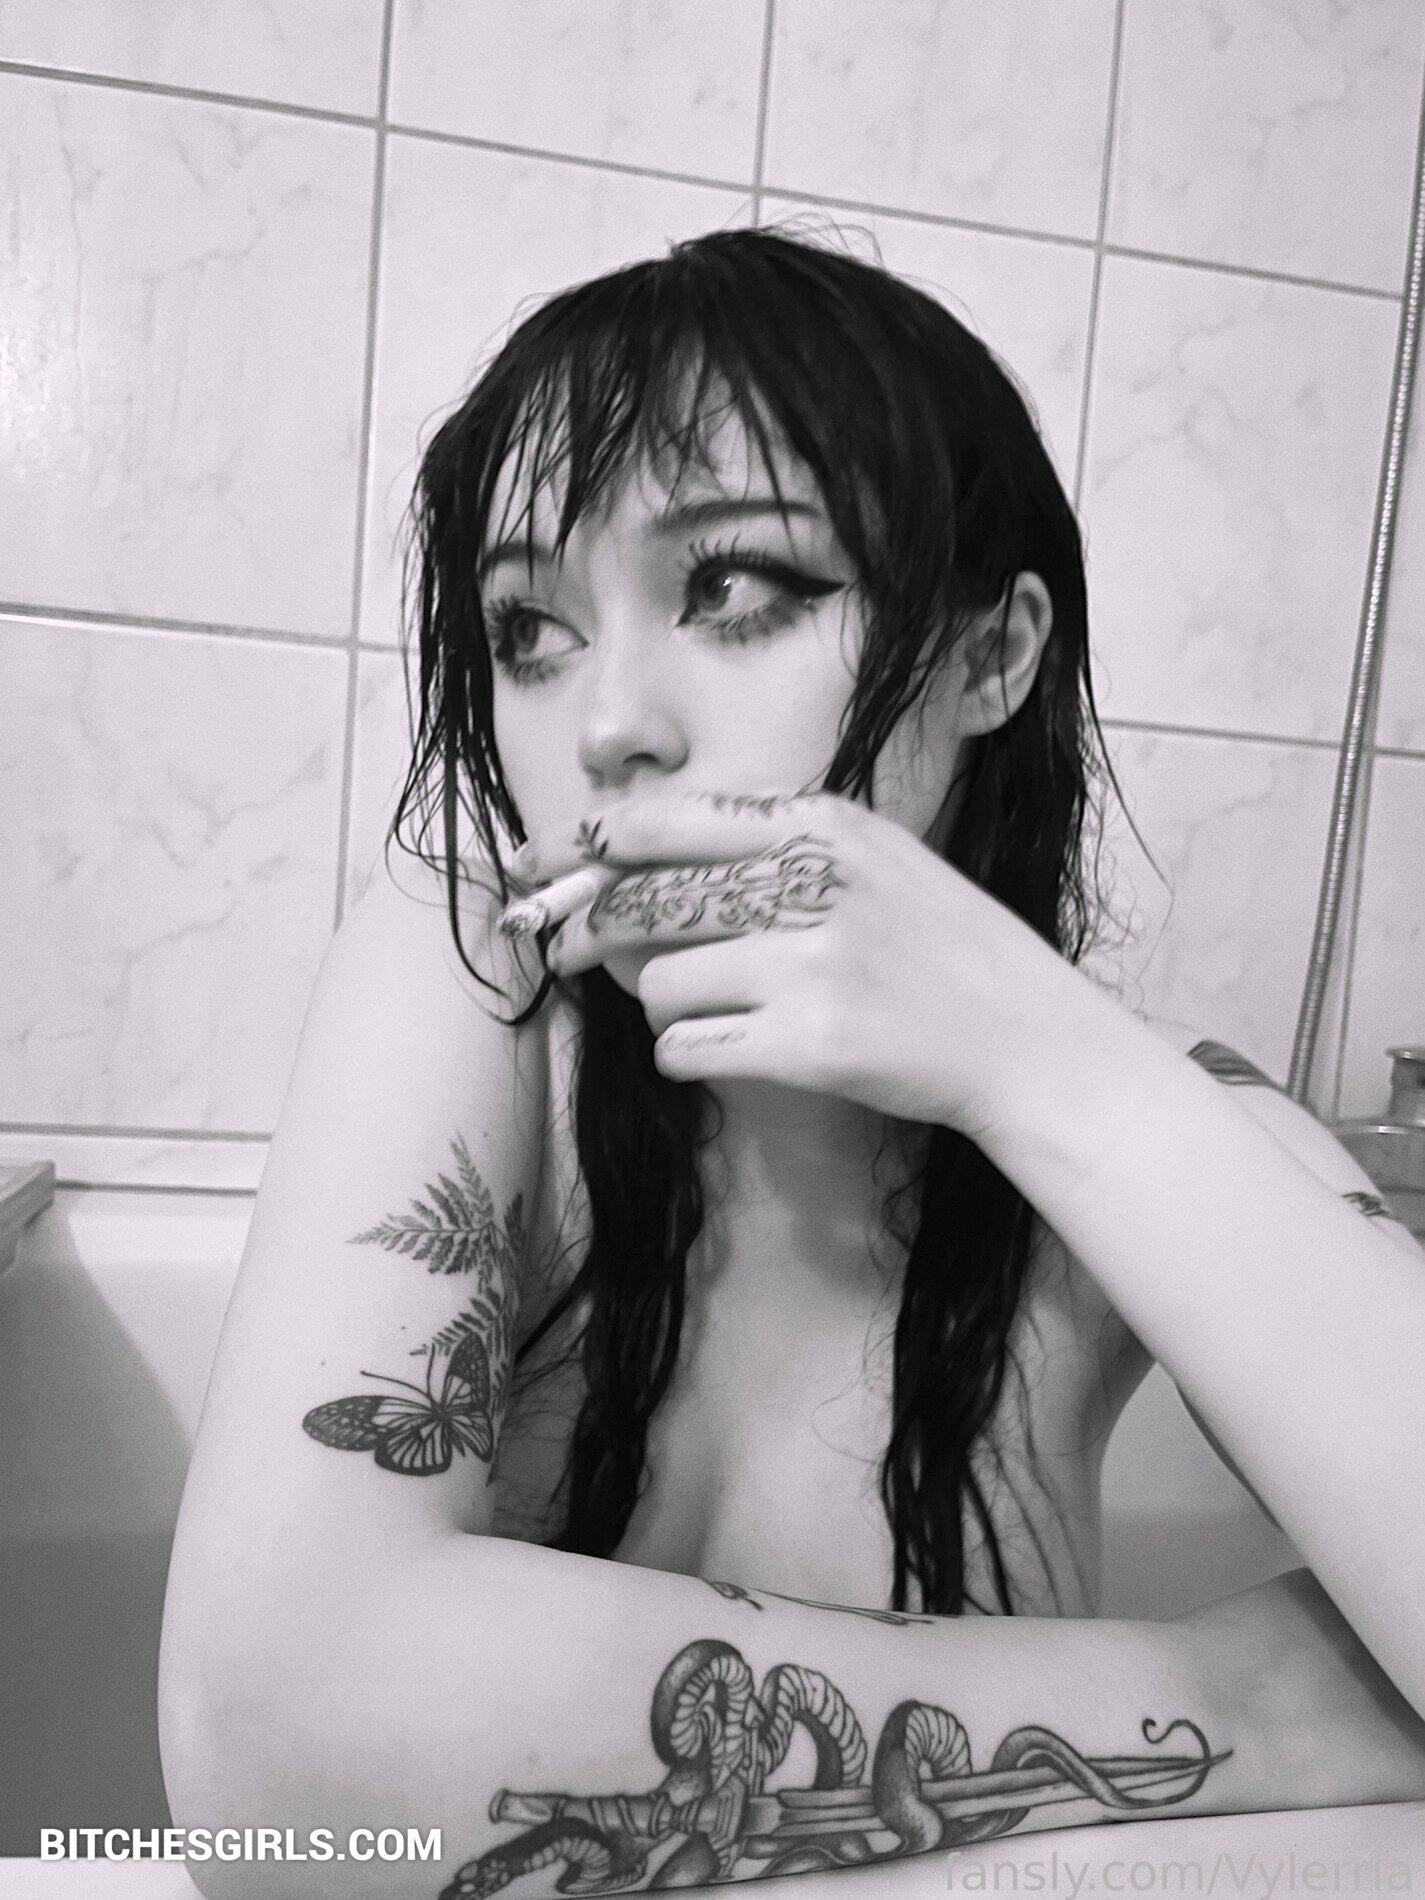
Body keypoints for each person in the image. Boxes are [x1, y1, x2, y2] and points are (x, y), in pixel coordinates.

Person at [159, 226, 1425, 1898]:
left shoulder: (1135, 1116)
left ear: (990, 655)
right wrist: (1252, 1702)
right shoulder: (475, 970)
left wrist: (1043, 1063)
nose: (606, 725)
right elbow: (279, 1753)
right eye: (529, 628)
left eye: (733, 590)